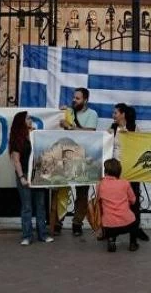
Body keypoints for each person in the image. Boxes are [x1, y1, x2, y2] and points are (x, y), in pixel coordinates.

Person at [9, 111, 53, 246]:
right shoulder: (17, 139)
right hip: (25, 174)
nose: (30, 120)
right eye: (27, 118)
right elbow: (16, 161)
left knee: (40, 205)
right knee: (27, 207)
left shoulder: (35, 135)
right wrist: (22, 177)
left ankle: (43, 234)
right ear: (21, 121)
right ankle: (27, 236)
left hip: (37, 174)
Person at [59, 87, 98, 236]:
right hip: (66, 158)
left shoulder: (92, 114)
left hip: (84, 159)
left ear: (85, 100)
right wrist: (60, 113)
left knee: (82, 194)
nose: (74, 100)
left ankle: (77, 223)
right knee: (61, 190)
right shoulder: (68, 112)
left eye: (78, 98)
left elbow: (90, 133)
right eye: (74, 98)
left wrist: (70, 126)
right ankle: (57, 222)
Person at [109, 103, 148, 242]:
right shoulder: (112, 129)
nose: (113, 115)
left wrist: (130, 136)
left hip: (131, 172)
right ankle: (112, 233)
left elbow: (141, 146)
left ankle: (135, 233)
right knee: (115, 202)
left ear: (123, 114)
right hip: (115, 173)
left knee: (133, 202)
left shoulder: (134, 128)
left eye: (115, 113)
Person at [97, 158, 138, 252]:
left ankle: (111, 240)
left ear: (105, 171)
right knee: (134, 220)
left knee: (110, 217)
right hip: (126, 224)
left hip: (108, 226)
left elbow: (98, 201)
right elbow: (133, 200)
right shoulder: (125, 183)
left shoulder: (100, 184)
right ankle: (133, 243)